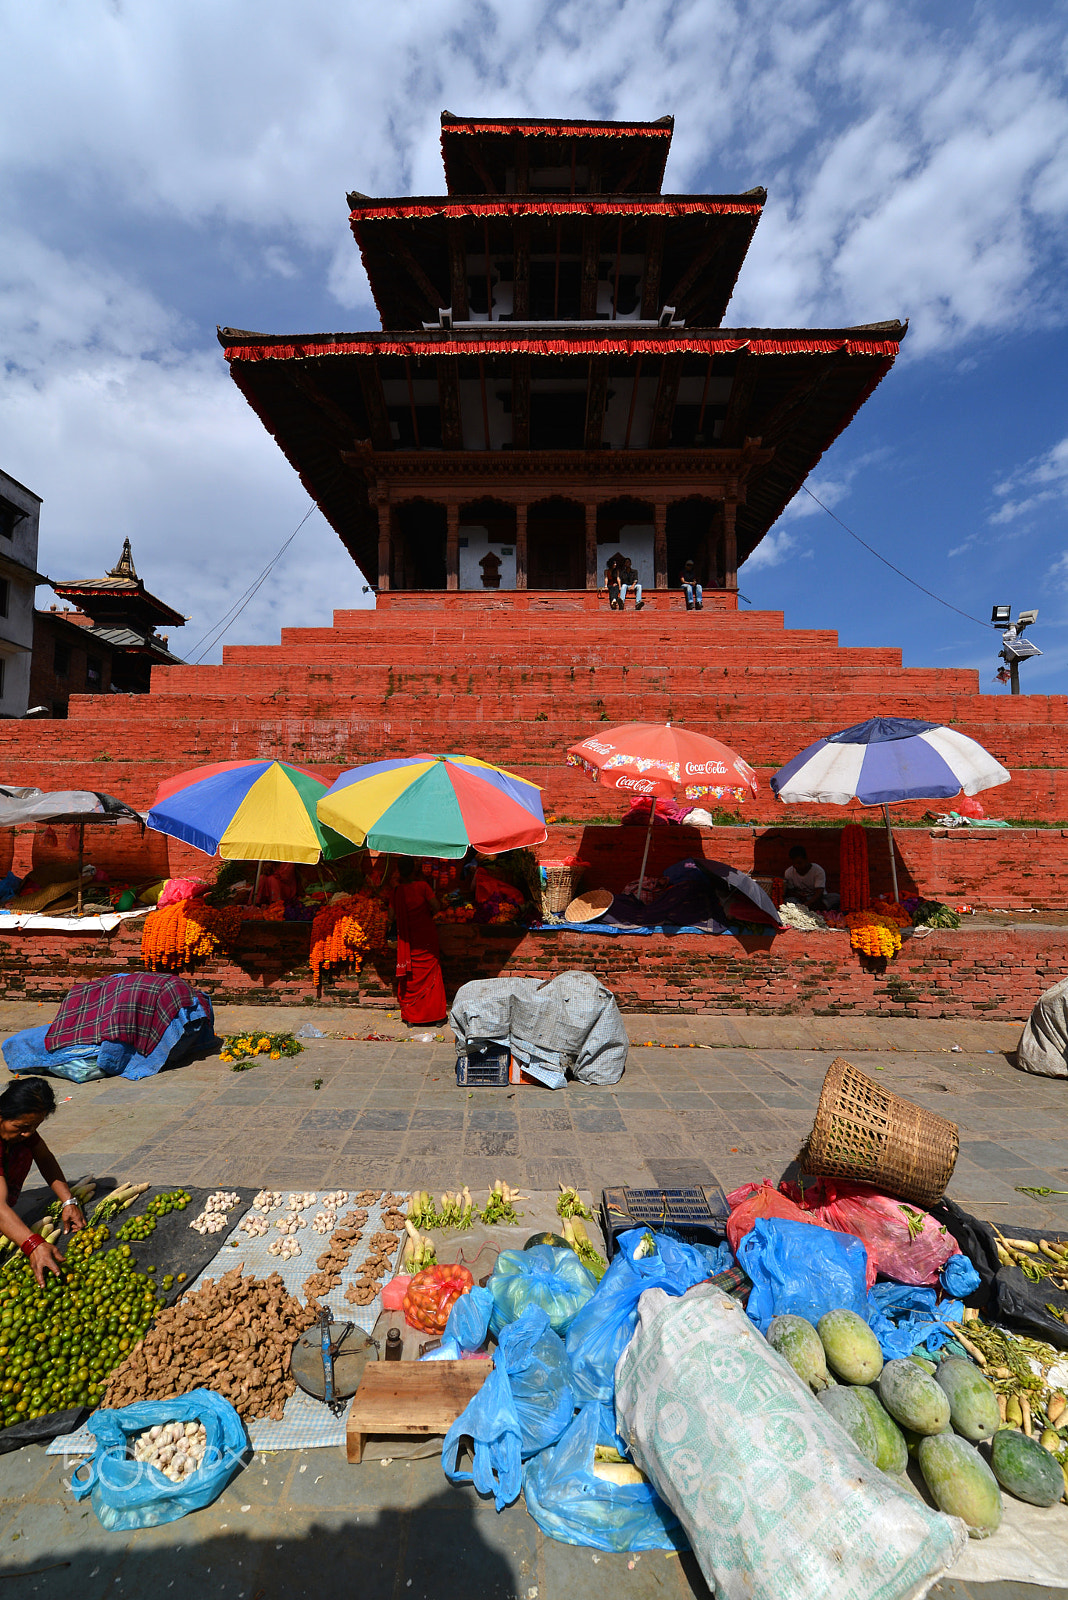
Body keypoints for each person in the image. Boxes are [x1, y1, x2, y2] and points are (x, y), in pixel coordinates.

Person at [0, 1077, 85, 1287]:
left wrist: (68, 1201)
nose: (28, 1133)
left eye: (35, 1126)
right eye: (21, 1126)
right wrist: (33, 1244)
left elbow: (44, 1158)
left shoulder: (22, 1132)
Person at [390, 858, 448, 1026]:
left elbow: (391, 916)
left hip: (408, 940)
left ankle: (412, 1017)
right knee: (432, 972)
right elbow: (436, 906)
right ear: (415, 870)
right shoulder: (423, 887)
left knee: (411, 974)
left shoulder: (396, 892)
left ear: (399, 872)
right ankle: (436, 1015)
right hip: (426, 936)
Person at [784, 845, 840, 912]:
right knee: (789, 901)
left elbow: (819, 892)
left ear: (806, 860)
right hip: (801, 900)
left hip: (817, 899)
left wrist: (807, 904)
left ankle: (813, 909)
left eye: (799, 863)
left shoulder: (818, 870)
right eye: (794, 864)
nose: (796, 866)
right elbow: (790, 891)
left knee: (836, 897)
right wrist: (801, 899)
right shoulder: (789, 872)